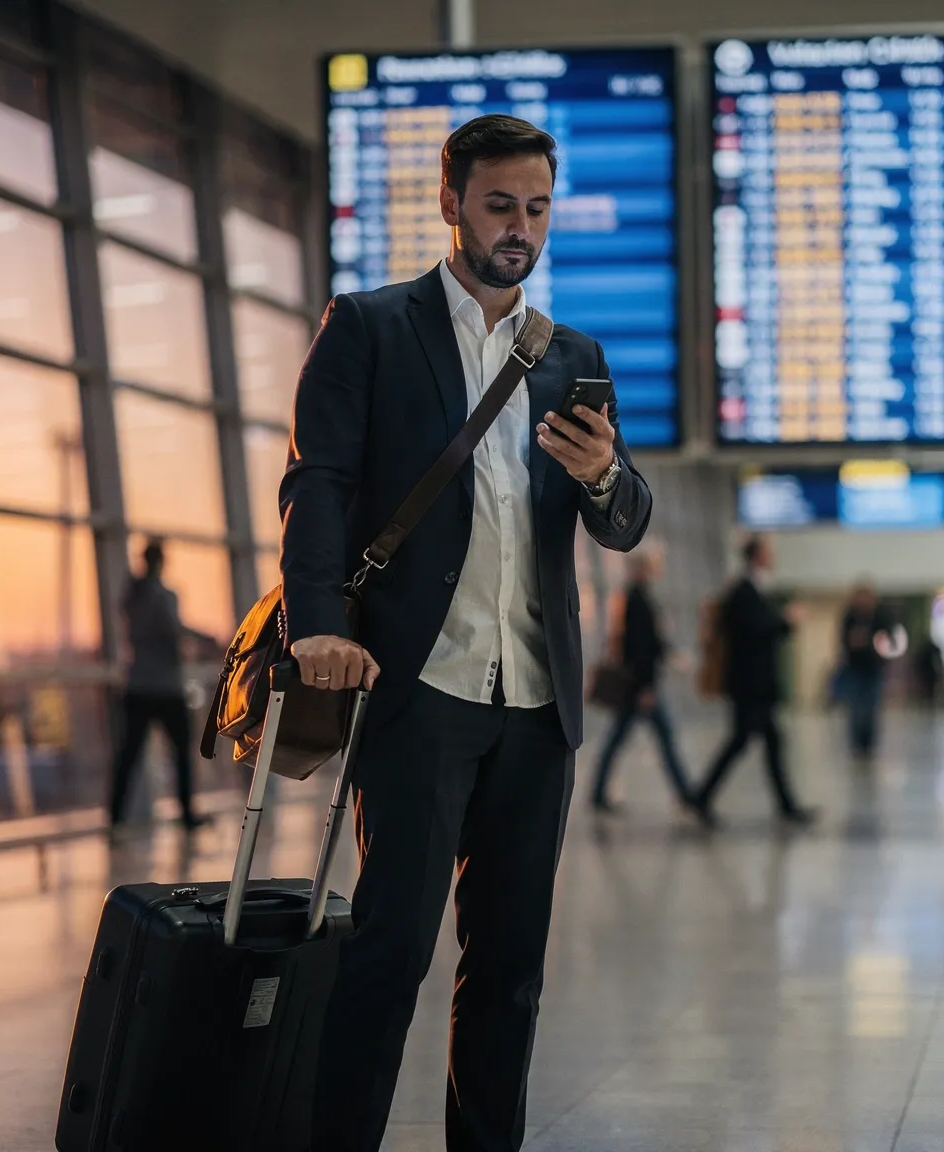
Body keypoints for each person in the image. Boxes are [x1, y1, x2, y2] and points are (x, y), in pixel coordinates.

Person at [280, 114, 650, 1152]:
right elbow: (318, 486)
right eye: (499, 205)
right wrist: (316, 625)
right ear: (449, 203)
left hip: (535, 704)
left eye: (536, 209)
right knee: (388, 954)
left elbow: (622, 522)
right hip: (419, 689)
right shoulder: (367, 325)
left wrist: (602, 476)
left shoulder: (569, 354)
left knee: (509, 974)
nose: (519, 229)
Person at [693, 536, 816, 827]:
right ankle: (703, 796)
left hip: (755, 686)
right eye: (768, 550)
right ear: (757, 555)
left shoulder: (753, 588)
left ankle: (785, 806)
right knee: (741, 741)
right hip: (749, 686)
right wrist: (786, 620)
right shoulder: (744, 590)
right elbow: (754, 632)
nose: (773, 554)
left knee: (767, 742)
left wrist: (783, 623)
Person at [106, 539, 216, 829]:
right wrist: (207, 639)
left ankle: (116, 818)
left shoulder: (130, 597)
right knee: (181, 753)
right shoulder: (164, 595)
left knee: (128, 756)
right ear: (161, 561)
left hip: (136, 685)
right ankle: (187, 815)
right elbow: (173, 629)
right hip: (166, 686)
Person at [591, 548, 695, 814]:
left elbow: (648, 642)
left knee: (619, 739)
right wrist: (645, 686)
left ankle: (598, 793)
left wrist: (670, 653)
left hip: (638, 685)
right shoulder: (637, 598)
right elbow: (638, 646)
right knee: (663, 738)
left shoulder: (636, 596)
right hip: (640, 686)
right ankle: (686, 794)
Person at [835, 581, 900, 759]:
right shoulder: (850, 615)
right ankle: (857, 745)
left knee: (871, 708)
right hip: (855, 669)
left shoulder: (881, 615)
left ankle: (869, 745)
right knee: (856, 708)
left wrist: (874, 642)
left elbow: (890, 638)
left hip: (873, 669)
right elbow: (842, 640)